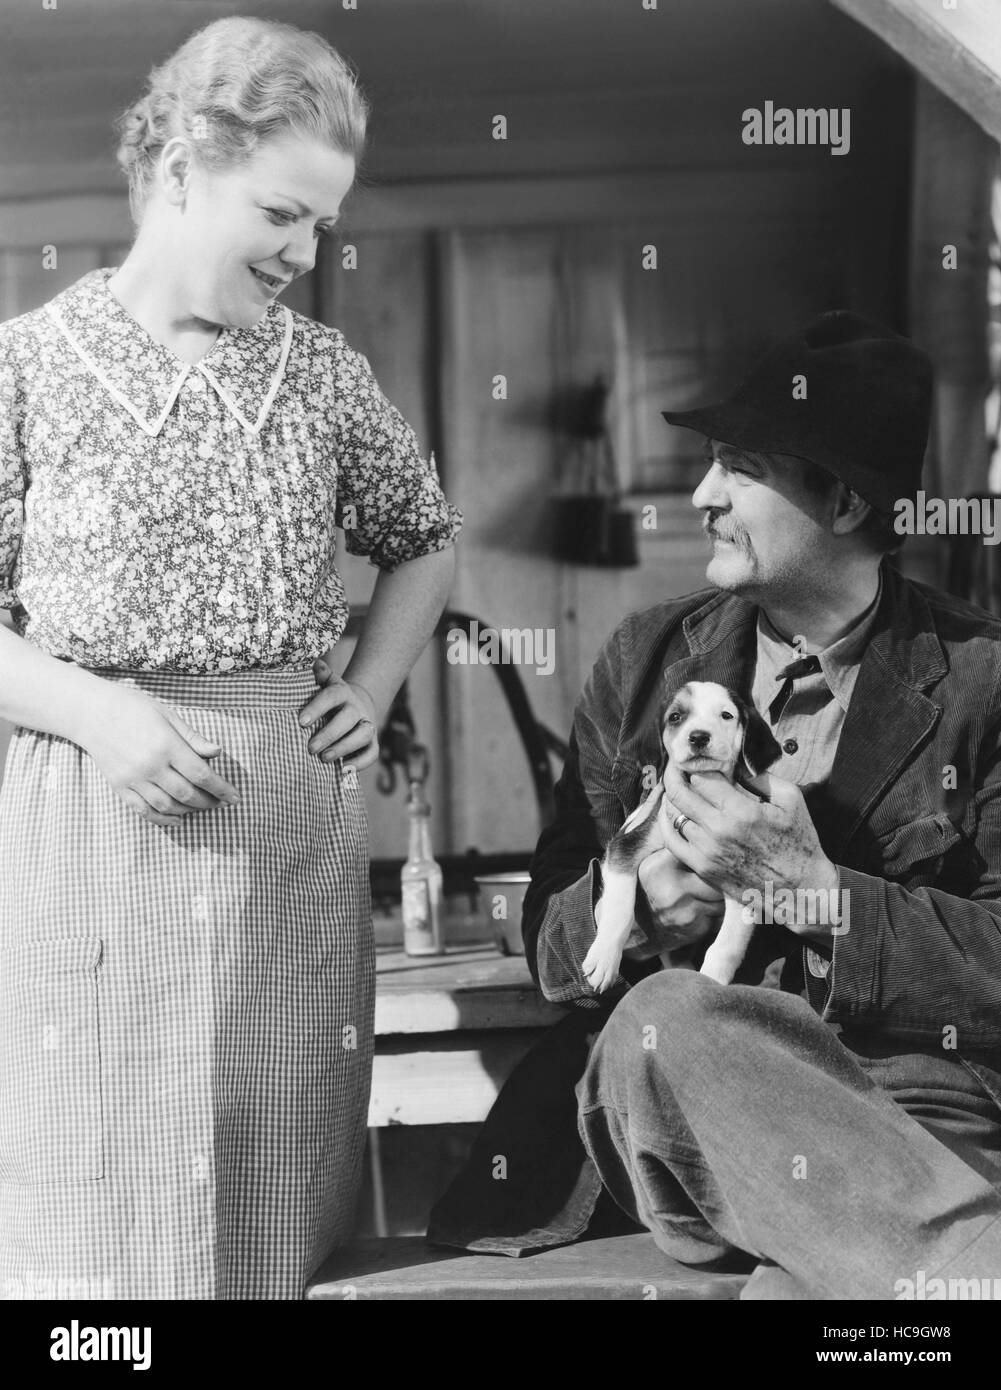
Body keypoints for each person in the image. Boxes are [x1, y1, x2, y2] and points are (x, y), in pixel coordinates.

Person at [0, 16, 460, 1301]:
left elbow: (422, 542)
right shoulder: (25, 369)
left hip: (285, 851)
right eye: (281, 214)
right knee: (93, 1235)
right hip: (88, 836)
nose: (305, 256)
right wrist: (99, 714)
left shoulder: (318, 373)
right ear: (184, 167)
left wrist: (367, 687)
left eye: (321, 227)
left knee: (276, 1215)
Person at [486, 311, 1001, 1298]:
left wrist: (814, 896)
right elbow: (548, 946)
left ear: (844, 500)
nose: (701, 495)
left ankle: (928, 1275)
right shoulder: (644, 663)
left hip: (905, 1119)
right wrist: (635, 914)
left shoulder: (981, 681)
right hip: (684, 1100)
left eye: (741, 467)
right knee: (667, 1016)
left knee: (788, 1296)